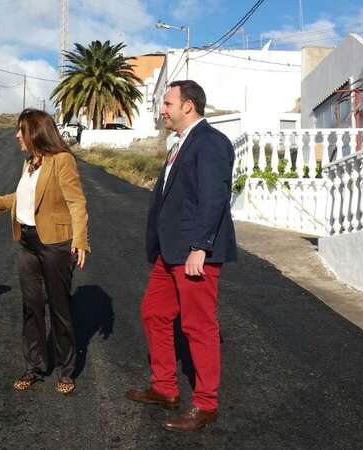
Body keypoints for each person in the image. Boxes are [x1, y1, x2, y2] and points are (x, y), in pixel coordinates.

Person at [125, 80, 237, 432]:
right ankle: (165, 388)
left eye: (167, 103)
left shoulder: (212, 142)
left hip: (194, 252)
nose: (163, 110)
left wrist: (200, 246)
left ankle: (205, 404)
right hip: (169, 253)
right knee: (154, 312)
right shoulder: (180, 145)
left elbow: (214, 198)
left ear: (188, 106)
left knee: (198, 326)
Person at [0, 108, 89, 395]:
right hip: (28, 243)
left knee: (59, 309)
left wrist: (80, 240)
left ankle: (67, 370)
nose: (16, 136)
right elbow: (19, 198)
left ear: (35, 132)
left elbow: (77, 203)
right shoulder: (30, 163)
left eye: (21, 130)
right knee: (31, 307)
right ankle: (34, 366)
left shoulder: (62, 160)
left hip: (55, 244)